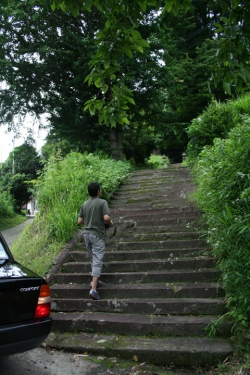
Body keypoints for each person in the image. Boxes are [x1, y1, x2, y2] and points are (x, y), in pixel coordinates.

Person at [78, 182, 114, 300]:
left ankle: (95, 281)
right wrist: (111, 224)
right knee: (98, 260)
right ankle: (93, 290)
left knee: (93, 258)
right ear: (98, 191)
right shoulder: (102, 202)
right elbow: (106, 218)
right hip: (97, 234)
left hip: (86, 234)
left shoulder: (85, 204)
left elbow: (80, 221)